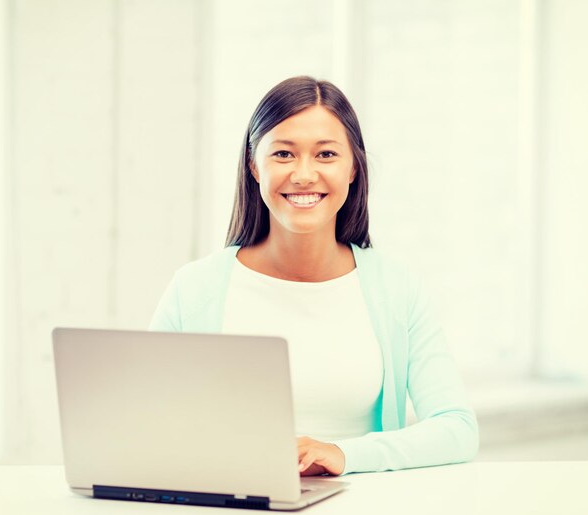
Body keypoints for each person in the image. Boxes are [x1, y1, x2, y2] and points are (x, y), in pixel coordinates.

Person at [149, 76, 479, 476]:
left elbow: (457, 429)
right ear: (254, 166)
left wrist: (343, 455)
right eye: (284, 154)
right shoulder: (194, 289)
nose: (304, 175)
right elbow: (149, 428)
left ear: (354, 167)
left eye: (325, 154)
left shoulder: (396, 289)